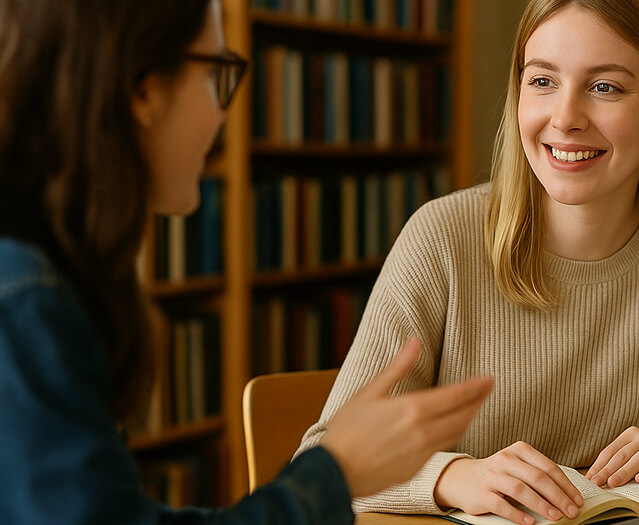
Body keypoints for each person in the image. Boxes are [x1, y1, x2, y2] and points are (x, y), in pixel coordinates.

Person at [296, 0, 639, 524]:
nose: (565, 118)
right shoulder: (442, 239)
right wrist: (455, 477)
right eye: (542, 81)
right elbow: (326, 460)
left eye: (604, 87)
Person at [0, 1, 493, 523]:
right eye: (215, 73)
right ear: (143, 89)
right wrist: (338, 468)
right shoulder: (24, 303)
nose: (223, 111)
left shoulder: (45, 278)